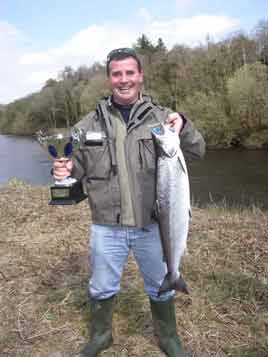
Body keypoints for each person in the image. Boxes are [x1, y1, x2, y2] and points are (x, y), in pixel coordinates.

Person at [53, 48, 205, 357]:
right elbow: (75, 170)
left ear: (140, 76)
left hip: (154, 225)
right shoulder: (85, 126)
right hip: (106, 226)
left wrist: (185, 126)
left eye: (129, 73)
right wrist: (63, 170)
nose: (124, 80)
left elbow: (199, 150)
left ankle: (168, 338)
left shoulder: (163, 118)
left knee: (160, 280)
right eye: (117, 74)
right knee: (101, 285)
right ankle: (101, 335)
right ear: (109, 79)